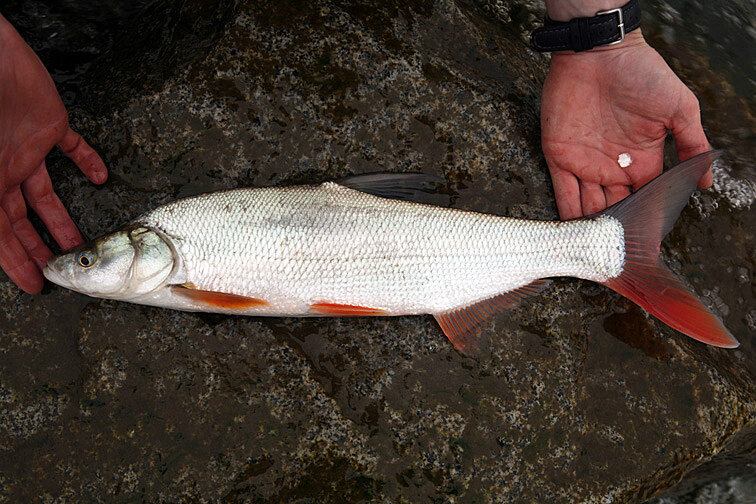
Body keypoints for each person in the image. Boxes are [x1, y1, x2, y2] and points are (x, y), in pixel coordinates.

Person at [0, 1, 711, 294]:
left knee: (586, 245)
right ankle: (595, 250)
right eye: (90, 258)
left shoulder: (183, 234)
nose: (79, 265)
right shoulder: (179, 235)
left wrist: (594, 30)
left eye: (91, 258)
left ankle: (596, 250)